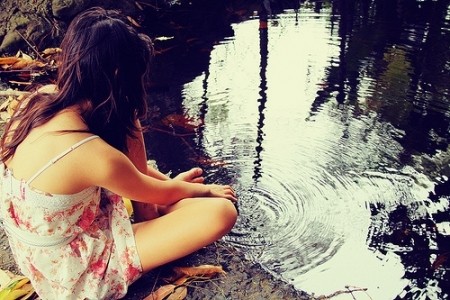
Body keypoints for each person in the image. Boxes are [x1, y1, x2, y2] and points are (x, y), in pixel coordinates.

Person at [0, 7, 238, 299]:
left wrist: (172, 186)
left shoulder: (41, 99)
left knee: (163, 187)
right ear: (119, 75)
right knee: (221, 212)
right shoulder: (89, 152)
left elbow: (128, 175)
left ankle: (162, 210)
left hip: (38, 248)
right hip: (74, 270)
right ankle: (152, 228)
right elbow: (144, 190)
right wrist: (199, 191)